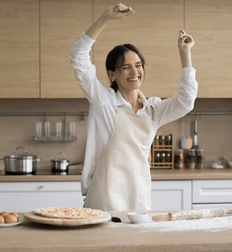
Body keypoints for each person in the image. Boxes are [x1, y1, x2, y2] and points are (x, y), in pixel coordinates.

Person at [69, 3, 198, 212]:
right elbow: (77, 57)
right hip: (103, 203)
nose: (134, 72)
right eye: (126, 67)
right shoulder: (104, 101)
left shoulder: (152, 109)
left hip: (139, 203)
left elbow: (186, 101)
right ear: (113, 74)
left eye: (138, 65)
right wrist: (105, 18)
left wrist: (185, 53)